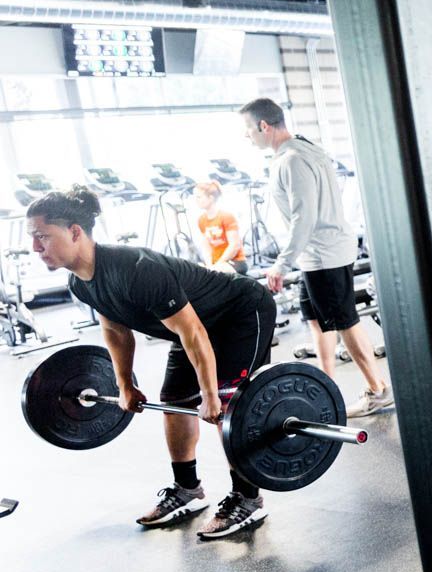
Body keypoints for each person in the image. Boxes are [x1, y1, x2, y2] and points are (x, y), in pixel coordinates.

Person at [27, 187, 278, 539]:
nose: (36, 248)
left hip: (239, 313)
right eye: (33, 239)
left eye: (42, 237)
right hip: (190, 330)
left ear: (74, 232)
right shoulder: (81, 283)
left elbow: (193, 333)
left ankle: (247, 499)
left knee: (234, 407)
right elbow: (115, 331)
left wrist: (209, 393)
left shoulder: (136, 269)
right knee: (174, 402)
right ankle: (187, 489)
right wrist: (125, 385)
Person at [239, 97, 393, 418]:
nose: (247, 137)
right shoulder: (305, 147)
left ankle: (378, 390)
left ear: (263, 126)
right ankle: (325, 386)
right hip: (317, 255)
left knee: (344, 322)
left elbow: (303, 217)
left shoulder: (291, 160)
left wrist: (281, 264)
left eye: (248, 131)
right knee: (315, 318)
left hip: (324, 254)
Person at [192, 180, 248, 275]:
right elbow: (206, 246)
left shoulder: (226, 216)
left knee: (219, 271)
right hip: (216, 263)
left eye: (199, 197)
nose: (196, 200)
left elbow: (234, 245)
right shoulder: (201, 220)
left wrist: (218, 264)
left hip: (234, 261)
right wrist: (210, 265)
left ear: (211, 198)